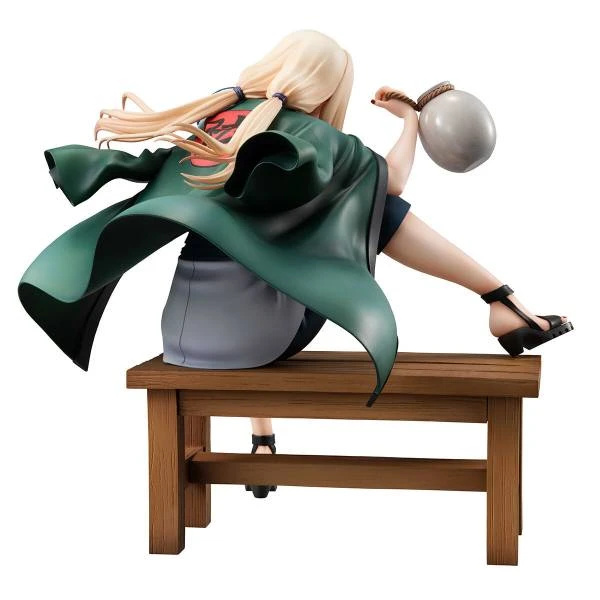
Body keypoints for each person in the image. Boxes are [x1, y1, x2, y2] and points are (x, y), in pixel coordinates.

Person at [18, 30, 572, 499]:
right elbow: (394, 182)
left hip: (183, 335)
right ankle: (500, 299)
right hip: (254, 340)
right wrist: (409, 122)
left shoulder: (218, 121)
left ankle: (262, 439)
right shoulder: (319, 137)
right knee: (372, 211)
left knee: (271, 249)